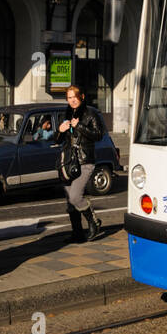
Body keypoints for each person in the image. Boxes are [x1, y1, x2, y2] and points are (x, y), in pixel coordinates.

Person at [58, 86, 104, 242]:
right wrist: (59, 130)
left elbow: (98, 135)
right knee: (70, 202)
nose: (72, 100)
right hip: (69, 163)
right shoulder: (66, 114)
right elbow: (57, 140)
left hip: (84, 160)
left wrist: (80, 126)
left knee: (76, 197)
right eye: (69, 97)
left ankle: (94, 222)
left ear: (81, 96)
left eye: (74, 97)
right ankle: (77, 233)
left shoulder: (90, 114)